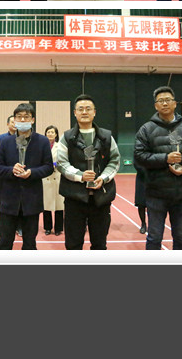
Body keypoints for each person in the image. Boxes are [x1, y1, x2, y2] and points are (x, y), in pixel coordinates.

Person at [134, 86, 182, 249]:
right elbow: (139, 156)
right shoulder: (146, 129)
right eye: (161, 101)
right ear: (155, 105)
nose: (164, 103)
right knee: (154, 237)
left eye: (168, 100)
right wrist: (165, 158)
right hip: (155, 194)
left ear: (175, 103)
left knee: (181, 237)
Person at [55, 95, 121, 250]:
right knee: (73, 245)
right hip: (74, 198)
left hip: (101, 199)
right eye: (80, 109)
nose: (84, 112)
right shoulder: (67, 137)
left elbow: (115, 160)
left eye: (88, 109)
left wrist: (103, 178)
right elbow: (61, 163)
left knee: (99, 244)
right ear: (75, 113)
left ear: (94, 112)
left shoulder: (106, 136)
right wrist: (80, 176)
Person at [0, 103, 54, 249]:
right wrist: (11, 170)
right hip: (9, 200)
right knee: (4, 243)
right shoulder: (5, 142)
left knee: (29, 243)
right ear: (14, 120)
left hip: (32, 200)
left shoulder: (42, 141)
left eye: (26, 117)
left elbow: (48, 167)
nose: (22, 120)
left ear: (32, 120)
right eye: (19, 117)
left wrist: (32, 173)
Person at [42, 125, 64, 236]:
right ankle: (47, 227)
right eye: (48, 132)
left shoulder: (60, 146)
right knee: (46, 205)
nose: (50, 134)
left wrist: (56, 164)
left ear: (56, 134)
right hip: (45, 178)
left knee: (59, 205)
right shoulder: (41, 146)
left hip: (58, 177)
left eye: (52, 132)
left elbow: (64, 160)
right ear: (45, 134)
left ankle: (58, 228)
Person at [134, 163, 147, 234]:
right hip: (141, 179)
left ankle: (153, 225)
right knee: (141, 203)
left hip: (154, 180)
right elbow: (137, 164)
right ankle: (143, 224)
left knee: (153, 204)